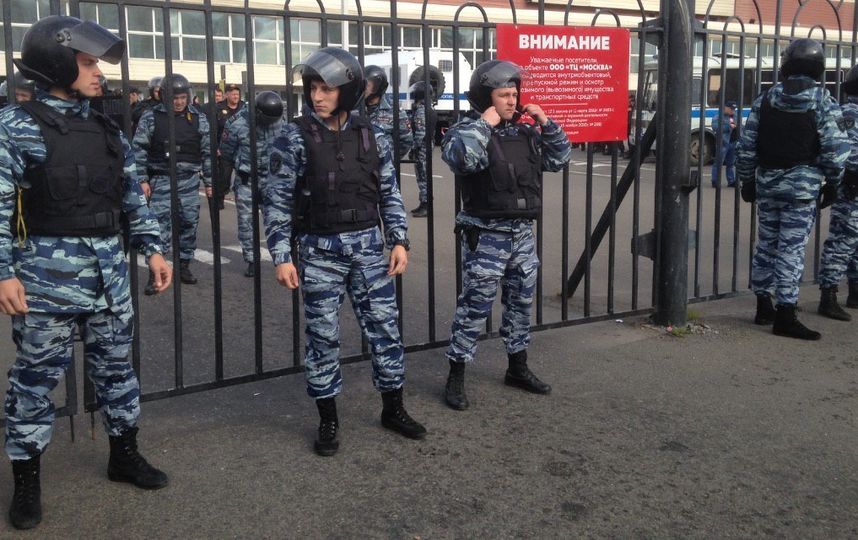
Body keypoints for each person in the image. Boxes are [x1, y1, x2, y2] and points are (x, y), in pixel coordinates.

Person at [0, 16, 172, 530]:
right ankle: (26, 481)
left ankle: (124, 455)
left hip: (109, 277)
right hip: (45, 280)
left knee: (117, 373)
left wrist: (155, 250)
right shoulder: (16, 127)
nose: (98, 72)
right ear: (56, 64)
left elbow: (131, 197)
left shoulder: (106, 127)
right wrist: (4, 271)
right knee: (34, 382)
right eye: (88, 62)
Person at [263, 47, 426, 457]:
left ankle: (394, 408)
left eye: (328, 89)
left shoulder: (370, 133)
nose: (317, 96)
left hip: (371, 248)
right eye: (313, 88)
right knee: (323, 338)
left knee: (385, 331)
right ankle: (328, 420)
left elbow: (388, 191)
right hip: (320, 251)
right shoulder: (293, 135)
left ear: (348, 90)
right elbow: (278, 201)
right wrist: (281, 255)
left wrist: (400, 240)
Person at [440, 60, 571, 410]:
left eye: (515, 94)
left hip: (521, 236)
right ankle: (456, 374)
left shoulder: (526, 133)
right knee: (474, 307)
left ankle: (517, 367)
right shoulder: (467, 131)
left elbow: (559, 159)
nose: (512, 101)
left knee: (520, 304)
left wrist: (546, 123)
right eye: (504, 95)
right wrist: (485, 123)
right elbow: (462, 159)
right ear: (486, 98)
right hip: (486, 237)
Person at [737, 38, 849, 340]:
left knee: (766, 245)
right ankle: (785, 314)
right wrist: (833, 184)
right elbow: (835, 151)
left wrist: (747, 180)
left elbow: (747, 146)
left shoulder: (766, 98)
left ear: (787, 63)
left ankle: (763, 305)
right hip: (801, 188)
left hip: (768, 184)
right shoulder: (823, 100)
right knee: (791, 250)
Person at [133, 73, 212, 293]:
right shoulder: (150, 117)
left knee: (188, 223)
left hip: (188, 181)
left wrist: (210, 182)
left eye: (182, 97)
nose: (179, 102)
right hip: (161, 179)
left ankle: (184, 265)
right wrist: (142, 179)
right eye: (174, 98)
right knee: (158, 227)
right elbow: (138, 150)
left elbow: (207, 154)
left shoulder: (198, 118)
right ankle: (155, 272)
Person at [220, 91, 283, 277]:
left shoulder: (280, 121)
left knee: (277, 220)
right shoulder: (237, 123)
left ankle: (281, 257)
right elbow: (226, 155)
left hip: (272, 180)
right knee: (247, 223)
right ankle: (251, 259)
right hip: (247, 180)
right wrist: (222, 186)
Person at [817, 64, 858, 321]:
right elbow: (847, 151)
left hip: (851, 185)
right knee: (843, 241)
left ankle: (854, 291)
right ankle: (828, 296)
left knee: (853, 243)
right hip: (853, 187)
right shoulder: (850, 113)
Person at [359, 65, 413, 159]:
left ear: (379, 86)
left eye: (368, 85)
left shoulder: (394, 109)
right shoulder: (356, 107)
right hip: (360, 166)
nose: (365, 88)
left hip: (384, 167)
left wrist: (389, 157)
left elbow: (406, 140)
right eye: (364, 84)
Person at [214, 83, 244, 209]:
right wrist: (215, 147)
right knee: (224, 177)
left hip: (241, 148)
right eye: (233, 94)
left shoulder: (244, 107)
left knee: (243, 177)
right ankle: (219, 198)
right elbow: (214, 129)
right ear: (227, 95)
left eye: (237, 94)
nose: (235, 96)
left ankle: (243, 200)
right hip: (225, 150)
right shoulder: (218, 108)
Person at [409, 80, 436, 217]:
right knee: (425, 176)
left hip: (423, 148)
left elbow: (420, 132)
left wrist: (414, 149)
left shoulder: (421, 110)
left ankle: (426, 206)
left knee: (423, 176)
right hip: (428, 146)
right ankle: (423, 203)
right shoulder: (429, 109)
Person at [711, 100, 738, 187]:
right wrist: (728, 127)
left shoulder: (735, 115)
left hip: (733, 142)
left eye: (734, 109)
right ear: (725, 108)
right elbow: (715, 127)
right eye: (731, 109)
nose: (732, 110)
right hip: (723, 142)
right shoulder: (718, 116)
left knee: (731, 163)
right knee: (718, 163)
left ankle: (731, 181)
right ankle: (715, 181)